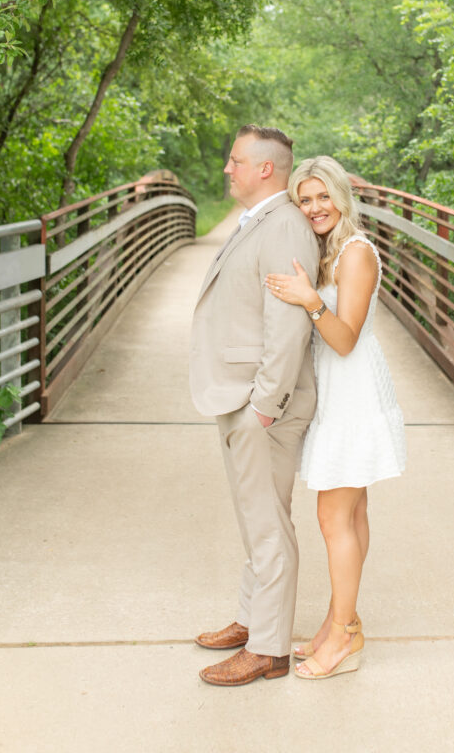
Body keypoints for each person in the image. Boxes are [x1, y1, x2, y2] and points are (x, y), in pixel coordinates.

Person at [265, 155, 406, 680]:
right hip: (340, 393)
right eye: (305, 199)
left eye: (324, 196)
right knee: (352, 514)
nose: (315, 207)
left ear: (342, 197)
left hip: (354, 395)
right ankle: (339, 621)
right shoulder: (330, 251)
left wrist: (308, 302)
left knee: (332, 518)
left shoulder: (356, 253)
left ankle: (343, 636)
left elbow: (344, 339)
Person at [189, 125, 320, 687]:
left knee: (268, 524)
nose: (227, 168)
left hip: (261, 403)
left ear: (265, 168)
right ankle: (251, 619)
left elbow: (288, 325)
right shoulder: (261, 220)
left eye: (235, 159)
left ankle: (269, 648)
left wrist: (263, 406)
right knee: (254, 516)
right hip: (242, 395)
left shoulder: (286, 225)